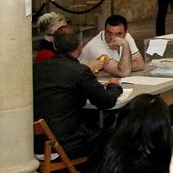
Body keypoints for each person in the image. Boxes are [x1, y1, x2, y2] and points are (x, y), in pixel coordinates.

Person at [33, 25, 123, 158]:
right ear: (80, 46)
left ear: (55, 46)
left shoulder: (38, 68)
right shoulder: (79, 71)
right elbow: (107, 101)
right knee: (116, 134)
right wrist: (114, 86)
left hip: (35, 142)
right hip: (64, 144)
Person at [79, 14, 145, 77]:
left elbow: (140, 64)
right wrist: (125, 45)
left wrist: (114, 69)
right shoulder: (94, 47)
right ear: (104, 31)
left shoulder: (126, 38)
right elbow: (124, 72)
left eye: (118, 34)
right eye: (109, 33)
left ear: (125, 33)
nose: (113, 38)